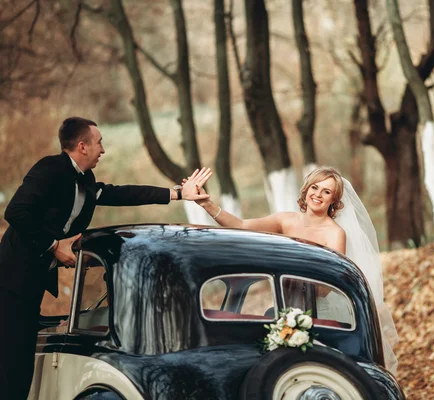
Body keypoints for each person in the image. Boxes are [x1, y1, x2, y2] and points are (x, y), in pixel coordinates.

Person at [0, 117, 207, 399]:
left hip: (32, 282)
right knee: (14, 364)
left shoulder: (85, 180)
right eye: (99, 143)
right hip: (11, 281)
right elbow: (15, 212)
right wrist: (53, 245)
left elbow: (118, 193)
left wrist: (178, 193)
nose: (103, 149)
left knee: (21, 363)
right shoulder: (49, 169)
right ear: (82, 146)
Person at [185, 166, 400, 374]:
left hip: (319, 312)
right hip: (284, 306)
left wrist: (294, 275)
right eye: (314, 188)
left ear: (334, 200)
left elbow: (328, 287)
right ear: (306, 189)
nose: (318, 195)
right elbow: (241, 225)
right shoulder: (286, 220)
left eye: (326, 192)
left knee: (316, 368)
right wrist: (207, 204)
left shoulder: (334, 234)